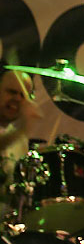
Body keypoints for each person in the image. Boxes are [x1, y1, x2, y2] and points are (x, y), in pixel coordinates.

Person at [0, 69, 41, 212]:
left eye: (23, 95)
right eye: (11, 92)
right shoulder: (18, 134)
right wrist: (24, 127)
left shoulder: (20, 140)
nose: (17, 99)